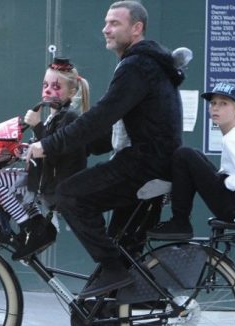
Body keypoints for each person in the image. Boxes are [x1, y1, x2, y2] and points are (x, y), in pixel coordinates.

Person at [26, 1, 184, 299]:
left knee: (70, 195)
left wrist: (48, 145)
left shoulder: (137, 65)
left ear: (136, 29)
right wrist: (68, 144)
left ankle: (113, 270)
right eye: (106, 22)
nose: (105, 29)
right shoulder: (144, 64)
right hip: (153, 162)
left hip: (144, 164)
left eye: (114, 23)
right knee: (120, 246)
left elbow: (101, 116)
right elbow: (106, 135)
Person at [0, 57, 91, 259]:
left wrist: (37, 126)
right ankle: (38, 228)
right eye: (45, 85)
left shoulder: (69, 118)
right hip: (42, 180)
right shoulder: (55, 117)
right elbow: (42, 148)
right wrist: (22, 150)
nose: (48, 90)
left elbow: (55, 149)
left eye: (56, 86)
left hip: (54, 186)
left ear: (72, 92)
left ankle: (30, 225)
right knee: (10, 183)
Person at [147, 82, 235, 240]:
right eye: (213, 103)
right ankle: (179, 221)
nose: (215, 108)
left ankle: (180, 222)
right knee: (195, 154)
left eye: (223, 103)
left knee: (184, 154)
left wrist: (227, 182)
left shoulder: (233, 139)